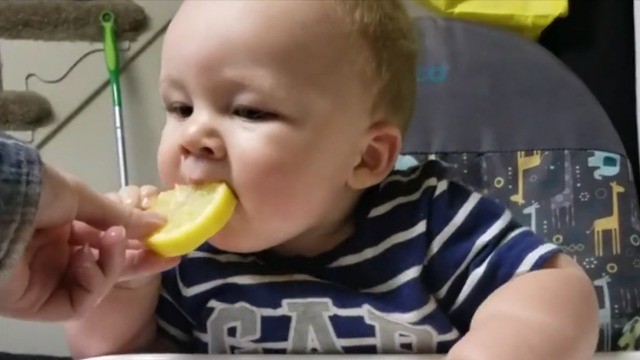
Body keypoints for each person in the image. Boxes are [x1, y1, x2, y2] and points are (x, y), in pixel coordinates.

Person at [65, 1, 600, 359]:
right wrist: (123, 287)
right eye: (179, 107)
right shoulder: (184, 260)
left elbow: (556, 287)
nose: (194, 136)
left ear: (366, 158)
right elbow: (114, 351)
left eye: (249, 112)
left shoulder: (430, 223)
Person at [0, 132, 178, 321]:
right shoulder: (169, 257)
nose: (194, 132)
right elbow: (103, 349)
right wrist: (128, 286)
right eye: (183, 110)